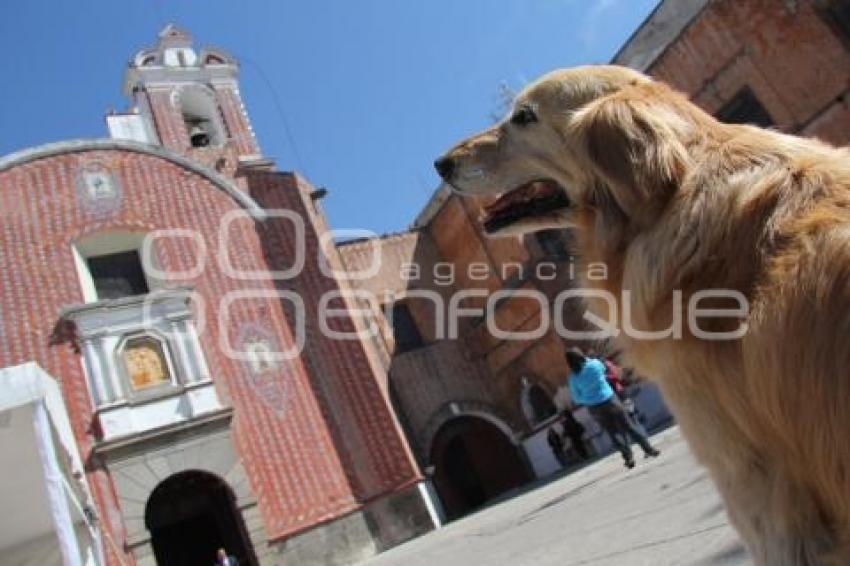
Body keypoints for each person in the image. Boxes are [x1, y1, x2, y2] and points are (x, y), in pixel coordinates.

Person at [565, 347, 659, 469]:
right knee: (629, 425)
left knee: (613, 433)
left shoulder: (573, 378)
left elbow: (576, 398)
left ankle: (628, 458)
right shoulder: (594, 364)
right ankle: (649, 449)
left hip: (595, 408)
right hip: (610, 400)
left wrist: (588, 399)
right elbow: (603, 369)